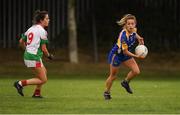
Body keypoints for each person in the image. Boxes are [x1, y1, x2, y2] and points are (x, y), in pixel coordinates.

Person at [103, 14, 145, 100]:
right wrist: (136, 56)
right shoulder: (123, 36)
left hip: (125, 55)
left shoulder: (134, 30)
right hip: (116, 55)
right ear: (125, 25)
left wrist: (139, 38)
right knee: (113, 76)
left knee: (136, 71)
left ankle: (125, 82)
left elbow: (135, 33)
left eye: (132, 24)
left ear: (135, 24)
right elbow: (125, 51)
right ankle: (107, 92)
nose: (130, 25)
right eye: (128, 24)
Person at [14, 10, 53, 98]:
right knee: (43, 79)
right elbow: (44, 49)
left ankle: (37, 93)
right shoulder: (42, 31)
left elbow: (21, 41)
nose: (48, 20)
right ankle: (20, 83)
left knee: (44, 72)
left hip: (30, 56)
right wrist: (49, 56)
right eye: (47, 18)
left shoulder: (31, 28)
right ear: (41, 20)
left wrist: (26, 49)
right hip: (33, 57)